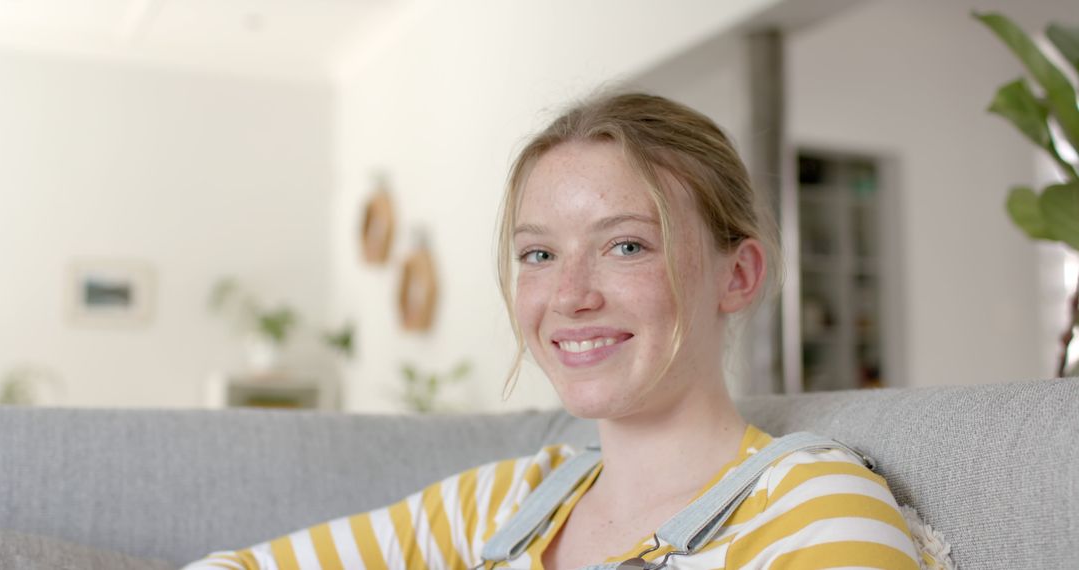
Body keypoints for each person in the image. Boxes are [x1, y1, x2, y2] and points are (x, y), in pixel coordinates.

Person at [183, 93, 922, 569]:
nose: (568, 296)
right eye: (539, 254)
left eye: (626, 245)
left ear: (739, 275)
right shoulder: (503, 501)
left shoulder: (816, 513)